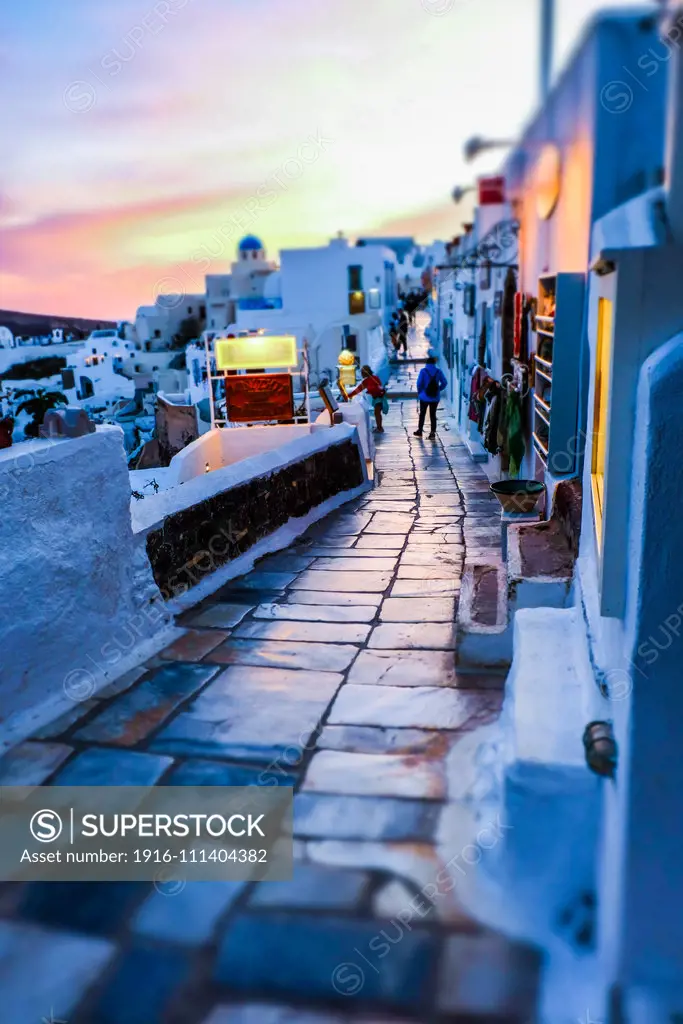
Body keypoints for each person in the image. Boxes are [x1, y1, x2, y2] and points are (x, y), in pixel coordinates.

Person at [414, 351, 447, 440]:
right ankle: (432, 433)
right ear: (434, 363)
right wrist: (438, 389)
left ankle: (420, 430)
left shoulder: (423, 371)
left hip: (424, 397)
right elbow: (445, 382)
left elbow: (419, 383)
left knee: (422, 414)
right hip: (435, 397)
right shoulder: (438, 371)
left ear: (427, 363)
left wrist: (420, 393)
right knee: (433, 414)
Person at [349, 365, 388, 433]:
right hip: (375, 398)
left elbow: (378, 387)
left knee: (377, 412)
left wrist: (371, 390)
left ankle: (380, 428)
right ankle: (379, 427)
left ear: (365, 373)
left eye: (362, 373)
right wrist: (349, 395)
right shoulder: (366, 381)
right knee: (377, 413)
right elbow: (358, 389)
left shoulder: (374, 378)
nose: (361, 374)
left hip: (379, 397)